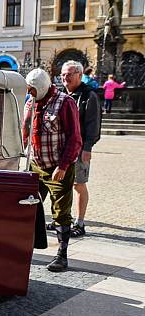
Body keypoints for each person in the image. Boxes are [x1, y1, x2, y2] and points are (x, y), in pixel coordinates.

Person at [22, 68, 82, 272]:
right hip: (35, 166)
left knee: (60, 212)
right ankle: (23, 248)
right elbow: (26, 130)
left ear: (41, 87)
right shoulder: (31, 102)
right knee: (26, 207)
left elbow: (75, 138)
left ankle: (62, 256)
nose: (29, 92)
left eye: (32, 89)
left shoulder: (65, 102)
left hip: (57, 168)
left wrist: (63, 166)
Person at [60, 61, 101, 238]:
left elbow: (93, 125)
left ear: (79, 75)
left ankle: (80, 222)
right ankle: (62, 219)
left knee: (78, 184)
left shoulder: (88, 96)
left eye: (69, 74)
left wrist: (88, 147)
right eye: (62, 74)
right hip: (62, 147)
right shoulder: (61, 94)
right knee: (62, 184)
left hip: (79, 147)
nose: (65, 78)